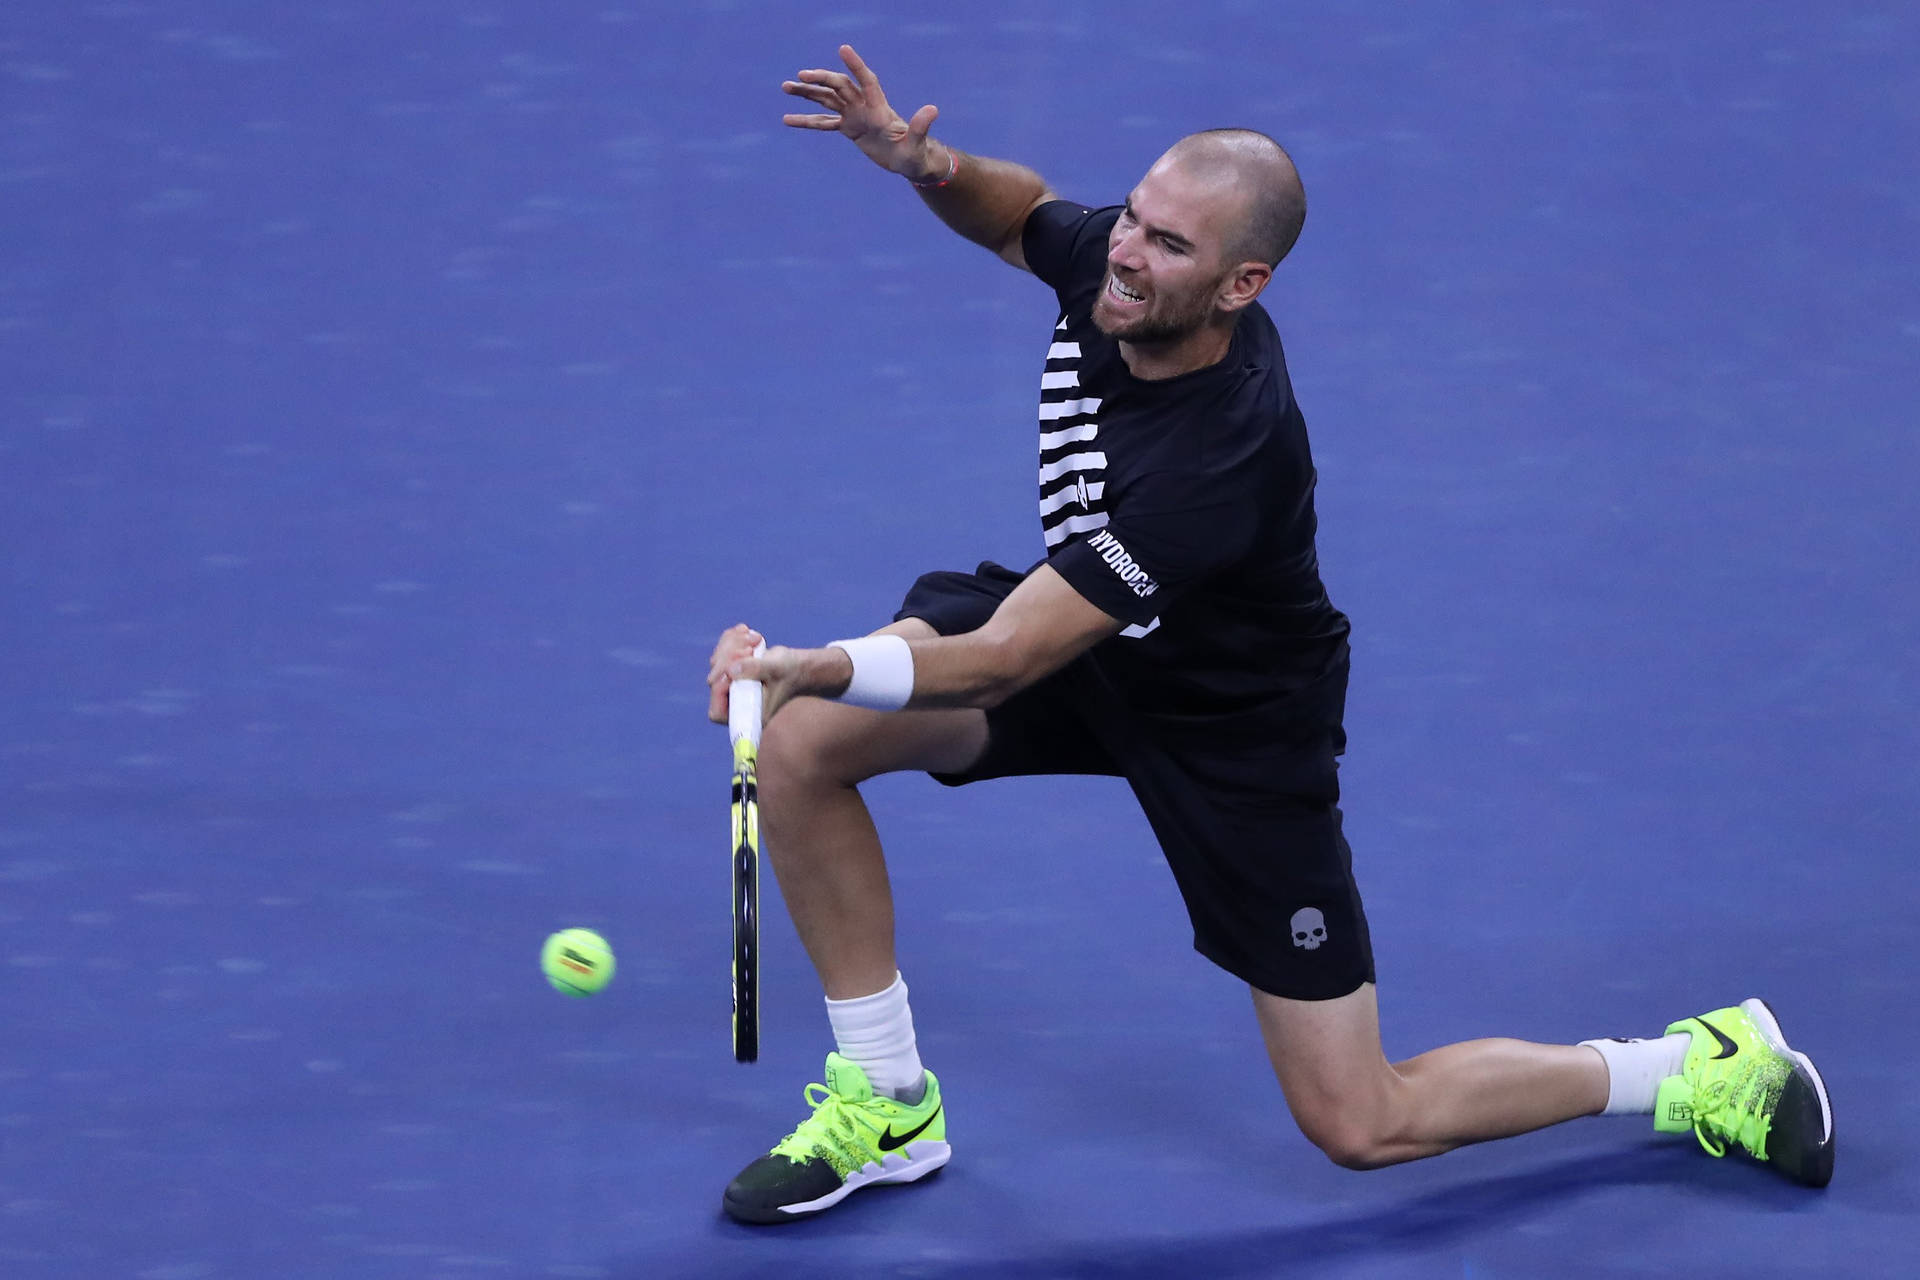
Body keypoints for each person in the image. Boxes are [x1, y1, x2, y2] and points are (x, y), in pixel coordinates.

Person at [703, 45, 1834, 1225]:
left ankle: (1700, 1064)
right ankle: (886, 1098)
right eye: (1136, 218)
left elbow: (1005, 658)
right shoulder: (1120, 261)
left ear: (1242, 286)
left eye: (1169, 246)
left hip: (1229, 720)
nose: (1128, 253)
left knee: (1361, 1120)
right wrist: (925, 162)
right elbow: (1023, 218)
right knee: (805, 741)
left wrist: (812, 659)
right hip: (1092, 635)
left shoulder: (1222, 454)